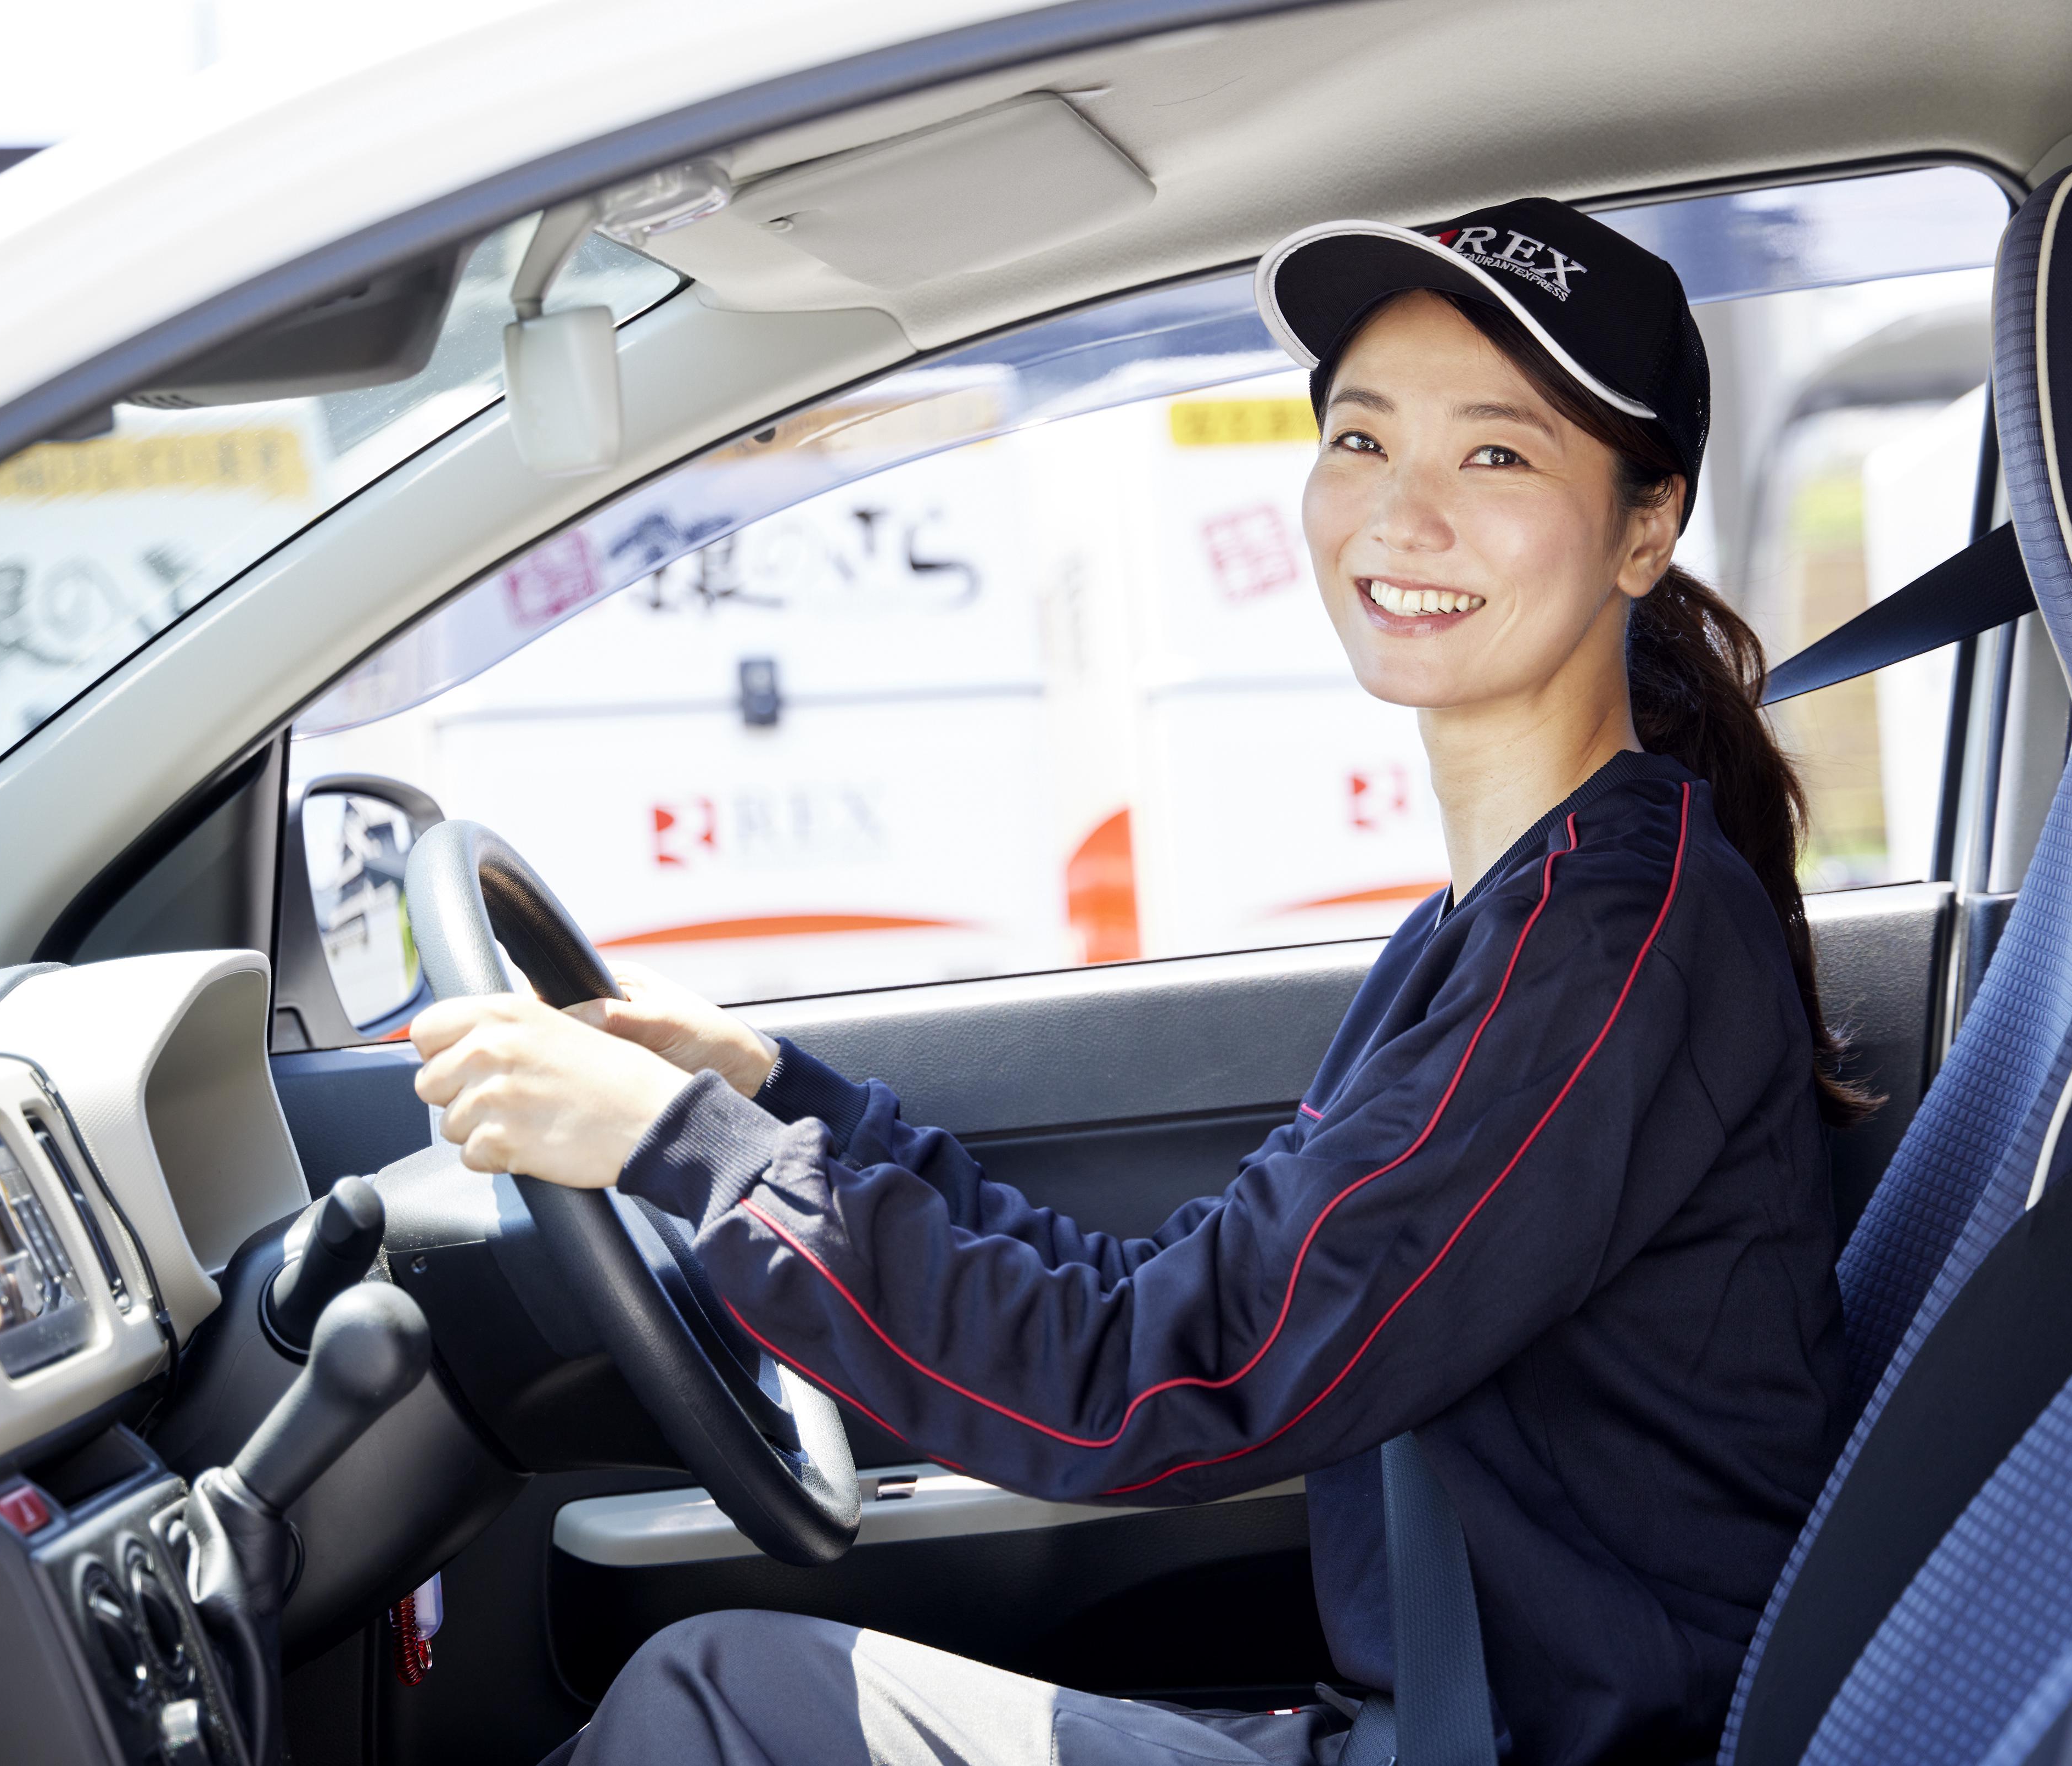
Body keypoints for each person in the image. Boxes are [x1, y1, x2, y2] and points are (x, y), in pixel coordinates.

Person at [410, 197, 1863, 1766]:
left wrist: (692, 1152)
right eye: (1362, 440)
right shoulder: (1520, 911)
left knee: (717, 1708)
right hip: (1431, 1720)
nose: (1403, 515)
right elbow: (1192, 1285)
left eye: (1496, 456)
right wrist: (778, 1096)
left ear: (1646, 527)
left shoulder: (1603, 954)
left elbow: (1160, 1377)